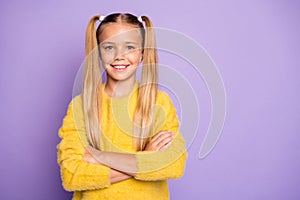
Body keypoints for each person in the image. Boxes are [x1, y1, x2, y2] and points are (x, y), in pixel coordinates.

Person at [57, 13, 187, 200]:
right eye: (109, 47)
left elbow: (173, 164)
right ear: (98, 52)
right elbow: (72, 176)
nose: (119, 56)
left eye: (130, 47)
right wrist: (146, 158)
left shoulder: (159, 102)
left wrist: (99, 157)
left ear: (142, 53)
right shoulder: (80, 106)